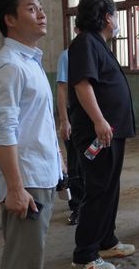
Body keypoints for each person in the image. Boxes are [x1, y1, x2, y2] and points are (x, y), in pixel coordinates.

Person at [0, 0, 63, 269]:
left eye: (40, 8)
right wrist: (15, 188)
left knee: (30, 255)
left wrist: (57, 160)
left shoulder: (30, 61)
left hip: (40, 174)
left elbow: (38, 120)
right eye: (31, 9)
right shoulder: (11, 67)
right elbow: (2, 131)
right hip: (27, 181)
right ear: (10, 19)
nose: (41, 14)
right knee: (23, 261)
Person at [69, 0, 136, 269]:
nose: (116, 21)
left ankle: (106, 241)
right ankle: (85, 255)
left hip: (110, 132)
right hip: (98, 132)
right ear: (108, 17)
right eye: (115, 16)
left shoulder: (97, 43)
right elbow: (82, 84)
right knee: (98, 190)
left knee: (110, 187)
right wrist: (98, 120)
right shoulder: (85, 42)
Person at [56, 28, 84, 226]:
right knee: (75, 162)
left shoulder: (99, 52)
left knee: (93, 160)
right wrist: (65, 120)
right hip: (74, 115)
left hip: (95, 117)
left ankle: (92, 203)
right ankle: (77, 206)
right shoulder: (68, 56)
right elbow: (62, 88)